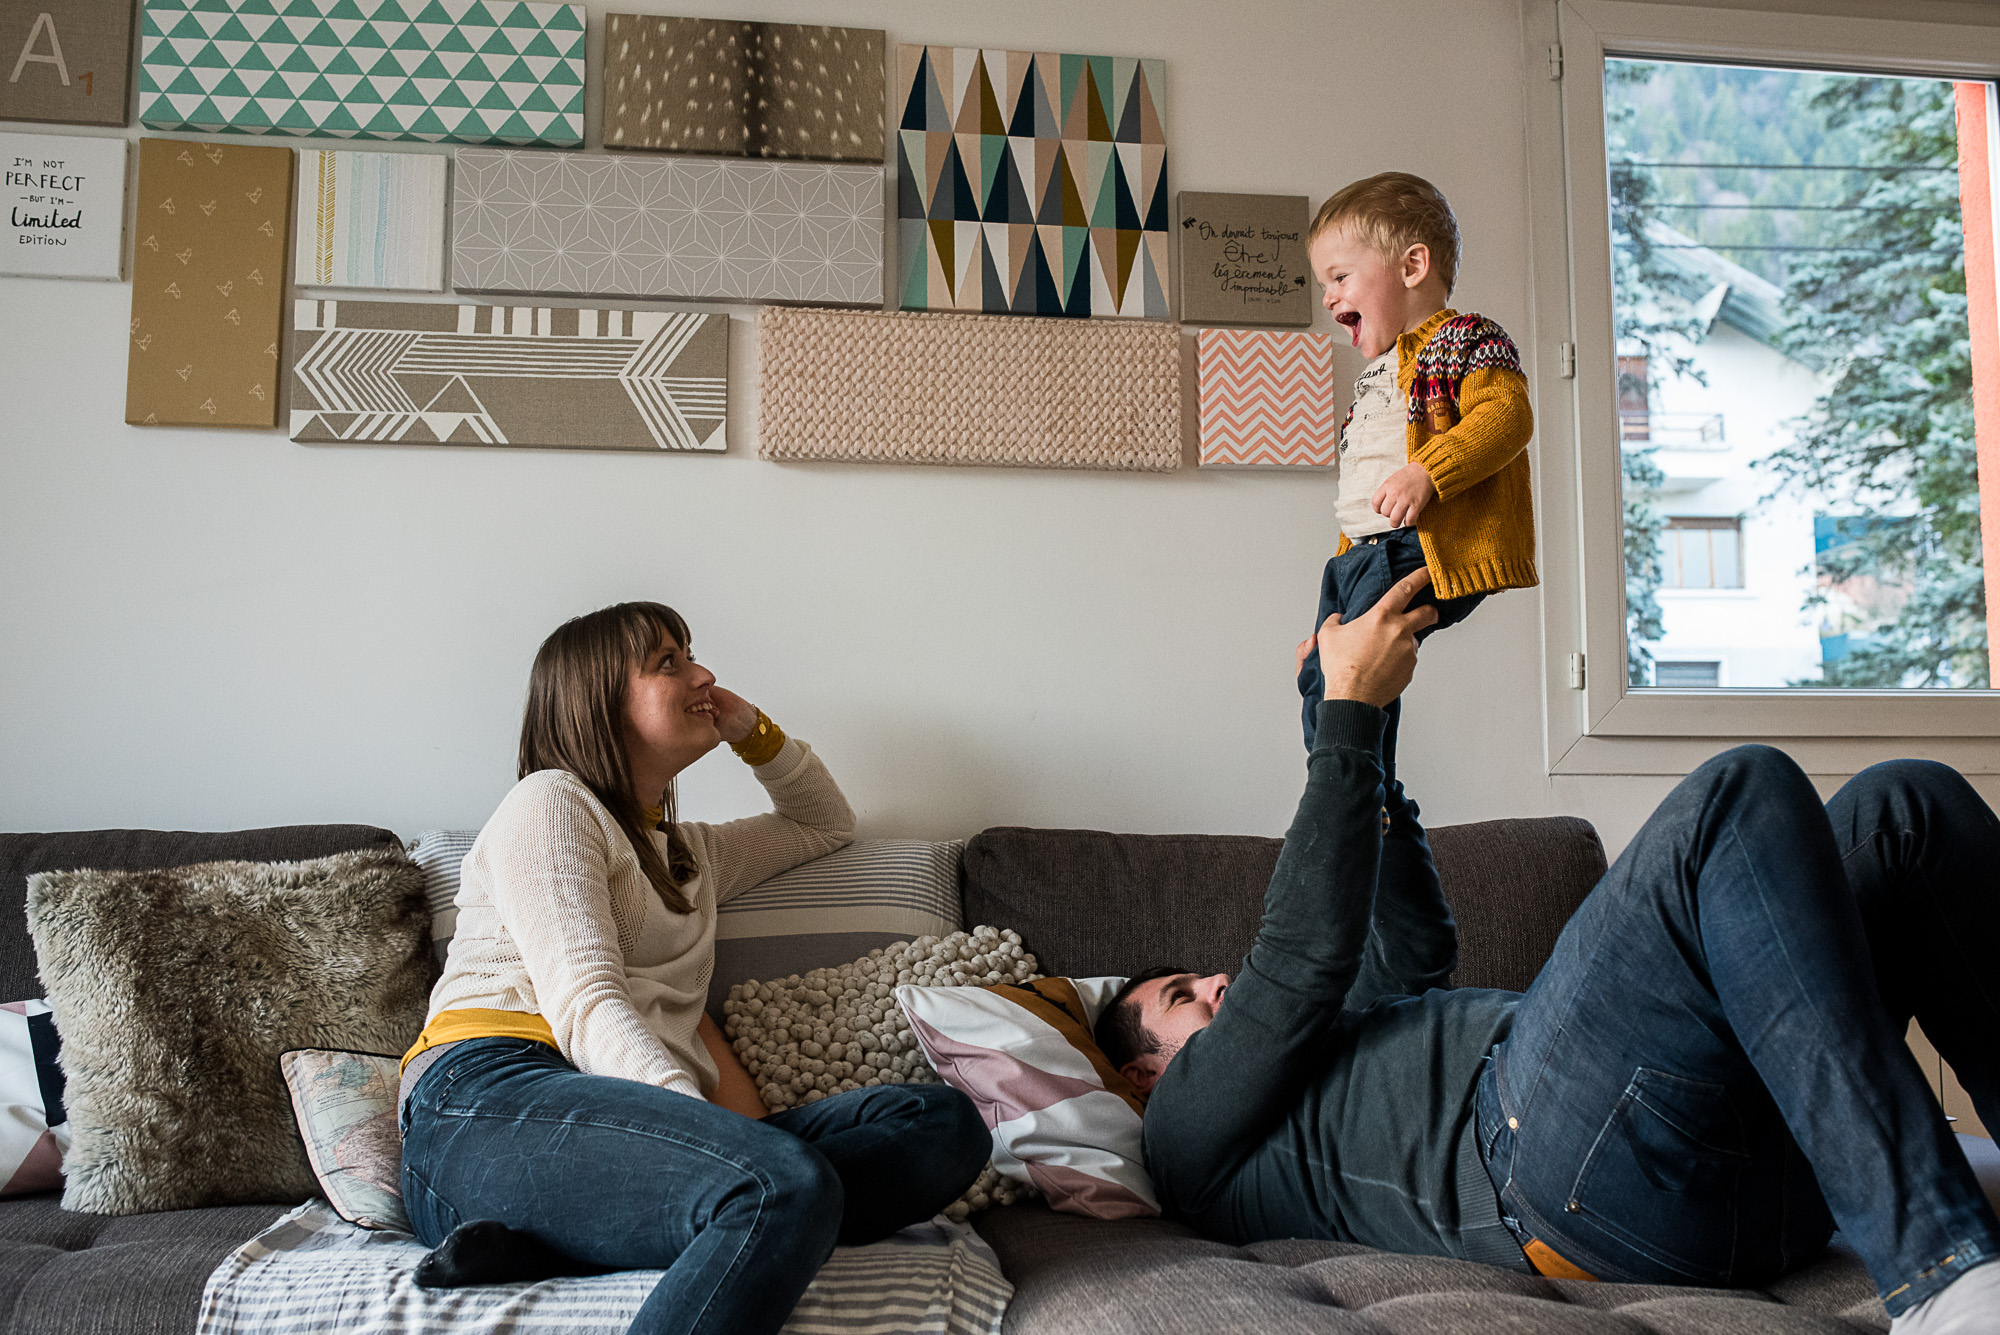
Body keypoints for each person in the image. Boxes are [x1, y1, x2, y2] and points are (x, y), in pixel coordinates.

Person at [1097, 568, 2000, 1335]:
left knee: (1903, 808)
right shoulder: (1182, 1132)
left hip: (1743, 1171)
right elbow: (1301, 956)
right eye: (1181, 993)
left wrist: (1346, 712)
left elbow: (1412, 939)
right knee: (1736, 794)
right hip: (1565, 1181)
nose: (1216, 979)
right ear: (1142, 1074)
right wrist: (1344, 715)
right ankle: (1943, 1278)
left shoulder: (1337, 1036)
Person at [397, 602, 990, 1335]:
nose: (703, 674)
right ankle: (712, 1205)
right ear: (595, 698)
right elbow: (586, 1004)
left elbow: (823, 822)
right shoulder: (548, 803)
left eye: (693, 655)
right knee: (781, 1182)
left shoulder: (689, 854)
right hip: (486, 1102)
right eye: (668, 662)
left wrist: (750, 728)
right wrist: (708, 1143)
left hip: (614, 1127)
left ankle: (557, 1244)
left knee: (944, 1124)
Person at [1295, 172, 1539, 764]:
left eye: (1340, 277)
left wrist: (1430, 472)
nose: (1327, 297)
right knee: (1319, 672)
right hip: (1361, 554)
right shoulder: (1377, 374)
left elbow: (1508, 416)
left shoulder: (1467, 339)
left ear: (1412, 267)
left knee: (1347, 687)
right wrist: (1344, 569)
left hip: (1418, 545)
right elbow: (1363, 483)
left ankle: (1355, 792)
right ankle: (1377, 805)